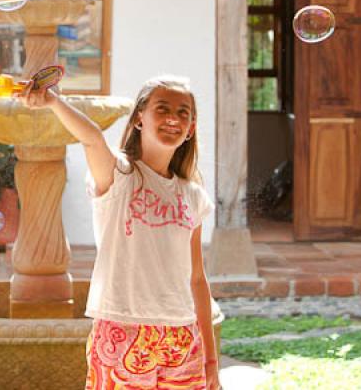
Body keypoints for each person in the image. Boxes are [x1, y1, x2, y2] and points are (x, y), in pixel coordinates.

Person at [18, 75, 220, 390]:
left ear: (191, 128)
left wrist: (210, 360)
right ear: (140, 118)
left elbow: (197, 279)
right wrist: (53, 101)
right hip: (121, 331)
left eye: (183, 113)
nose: (172, 119)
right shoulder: (120, 176)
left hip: (182, 336)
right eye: (162, 108)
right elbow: (92, 139)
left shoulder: (192, 195)